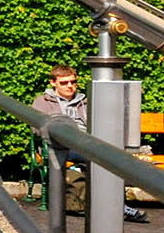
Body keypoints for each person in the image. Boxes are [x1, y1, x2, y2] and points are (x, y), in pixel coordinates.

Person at [32, 64, 148, 222]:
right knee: (104, 159)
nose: (70, 86)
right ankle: (119, 208)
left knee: (110, 157)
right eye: (64, 83)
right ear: (53, 83)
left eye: (73, 82)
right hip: (61, 145)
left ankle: (117, 206)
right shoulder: (43, 102)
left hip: (89, 142)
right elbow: (36, 128)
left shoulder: (85, 101)